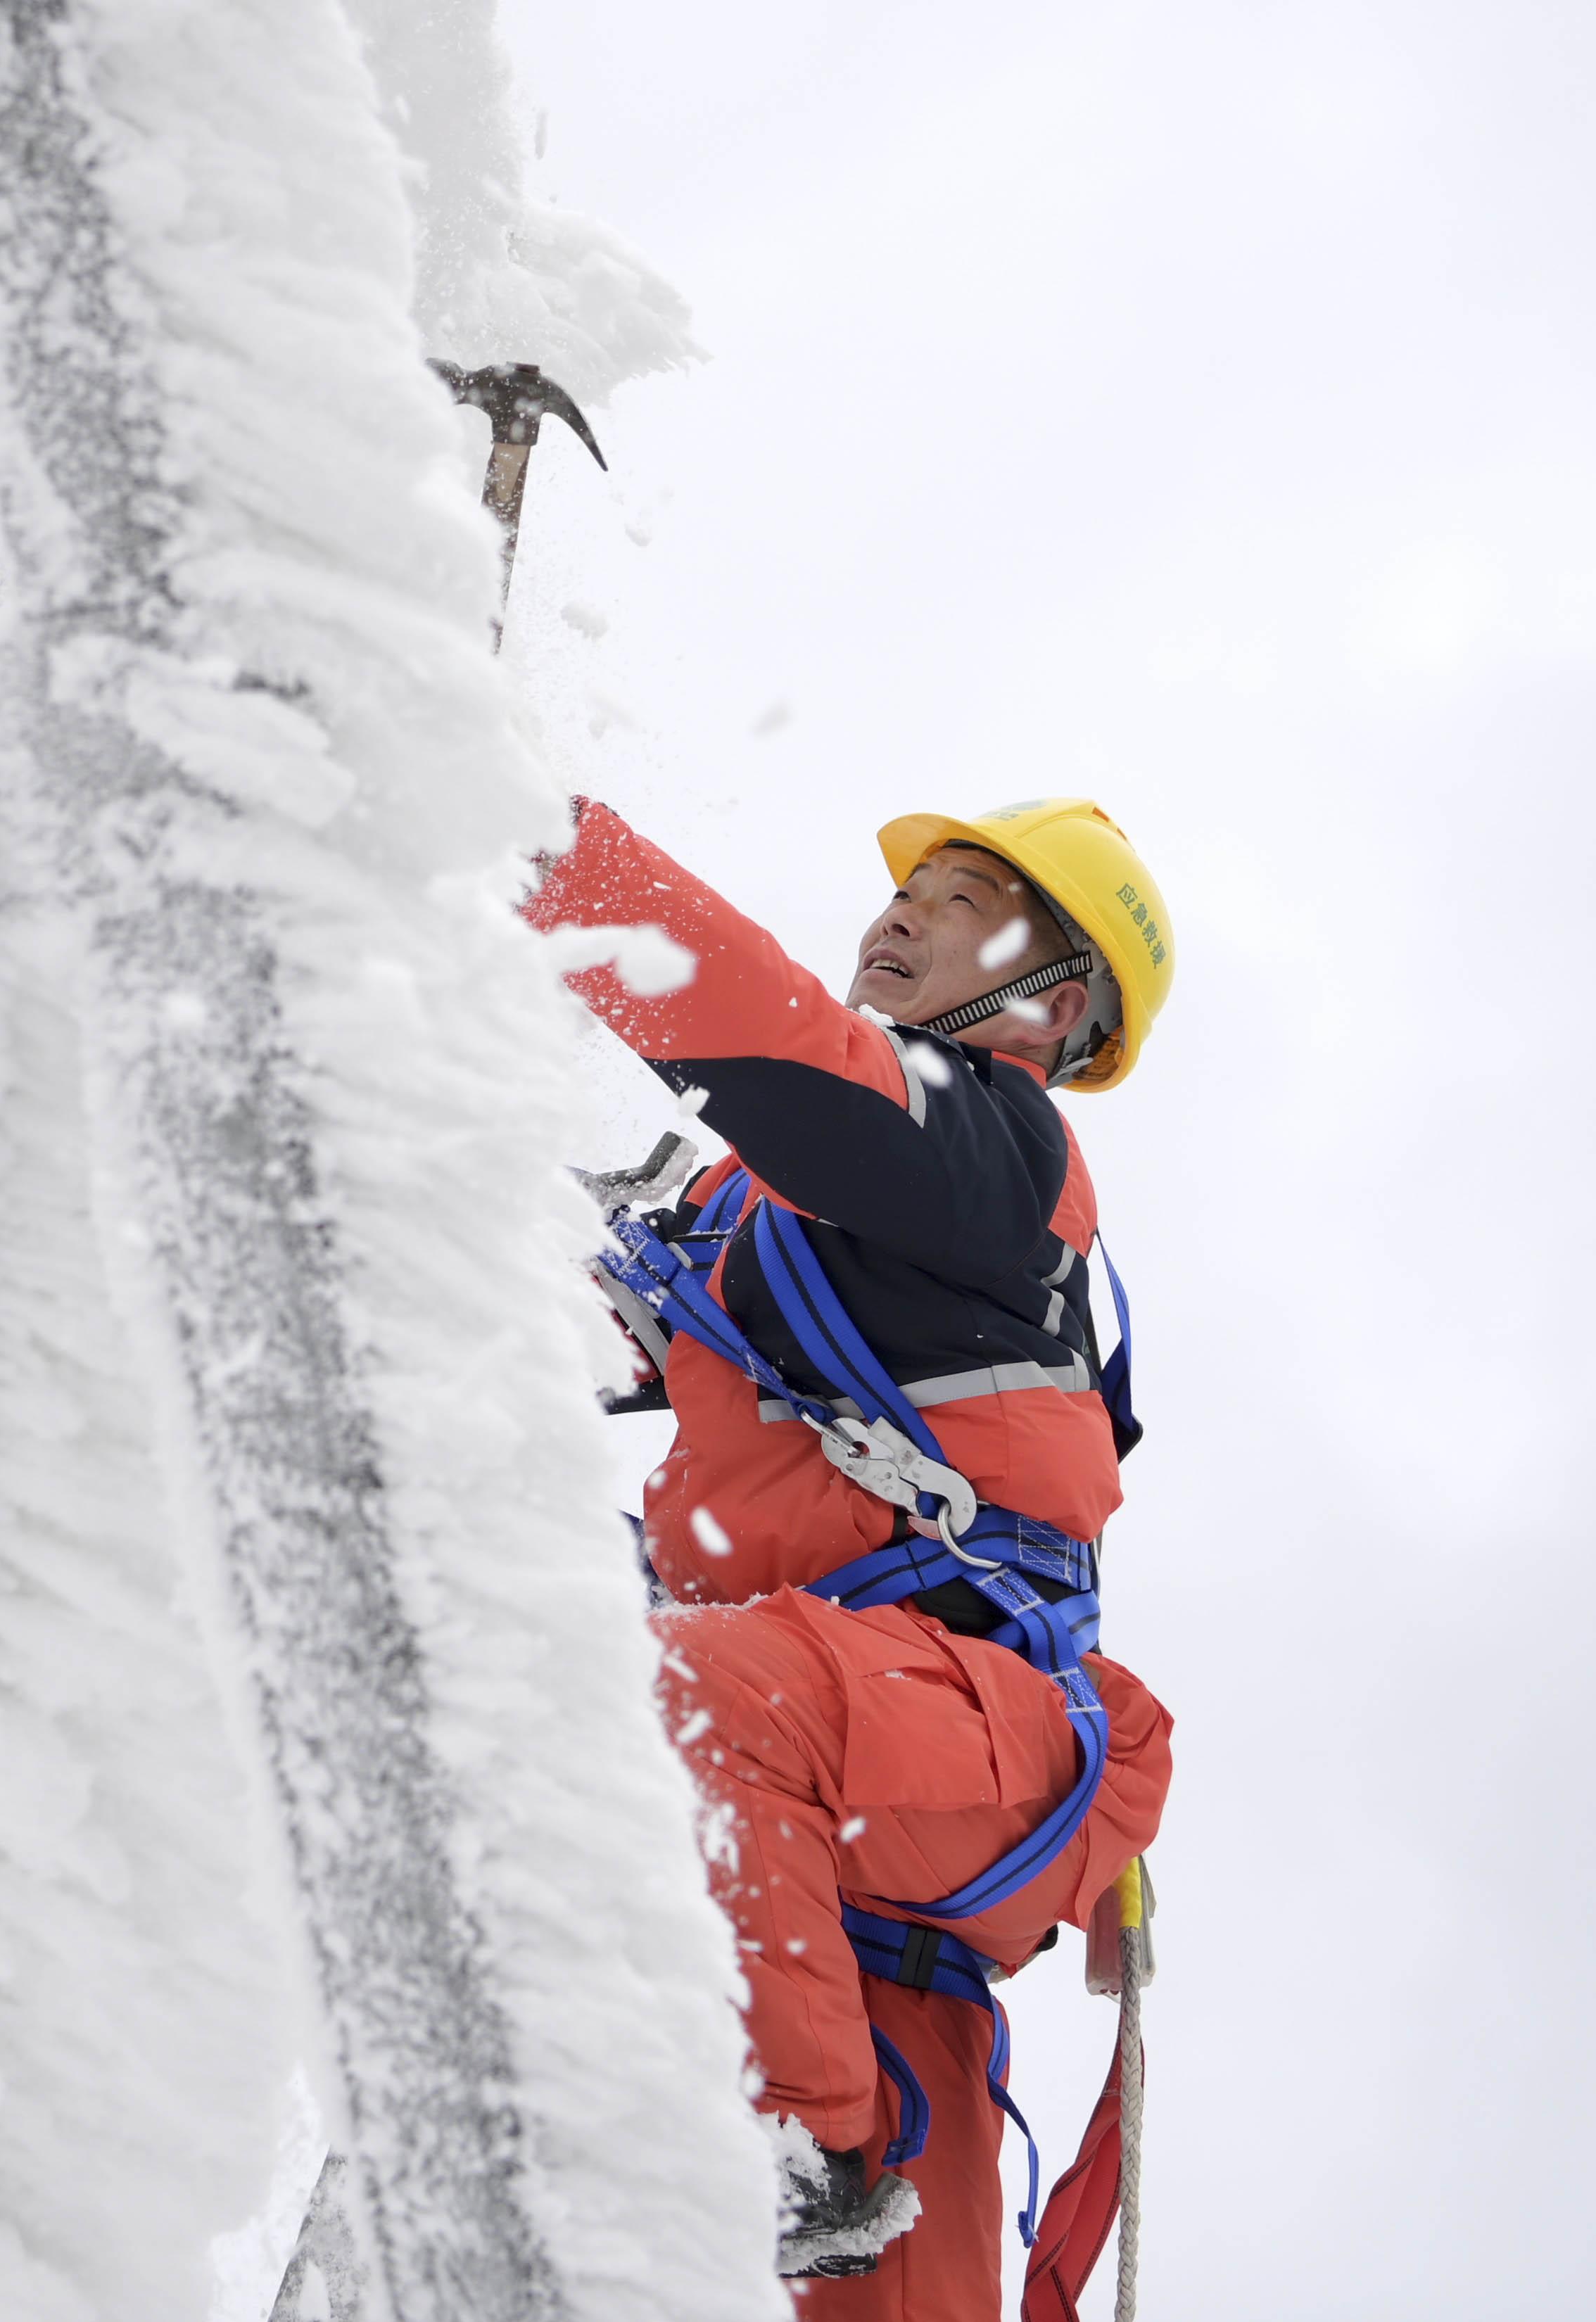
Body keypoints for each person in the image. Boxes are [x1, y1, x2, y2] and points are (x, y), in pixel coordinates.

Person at [524, 797, 1179, 2318]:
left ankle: (799, 2160)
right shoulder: (760, 1223)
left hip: (952, 1743)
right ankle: (806, 2150)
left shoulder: (997, 1151)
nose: (903, 915)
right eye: (909, 889)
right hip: (821, 1860)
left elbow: (781, 1061)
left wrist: (526, 837)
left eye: (965, 903)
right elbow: (494, 1325)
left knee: (677, 1696)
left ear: (1053, 1003)